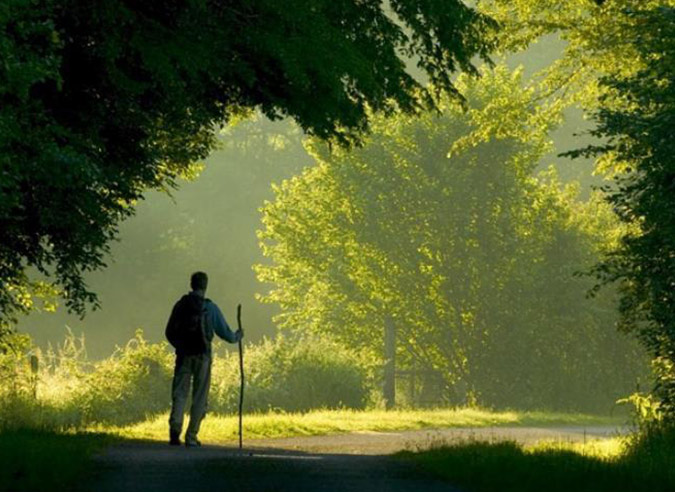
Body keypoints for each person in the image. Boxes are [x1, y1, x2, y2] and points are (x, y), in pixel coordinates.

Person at [165, 271, 242, 447]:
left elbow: (168, 332)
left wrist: (179, 346)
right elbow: (226, 334)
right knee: (199, 396)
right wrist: (238, 336)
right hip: (203, 356)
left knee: (180, 394)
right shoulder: (210, 308)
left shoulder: (180, 305)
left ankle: (174, 431)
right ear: (205, 285)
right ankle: (191, 437)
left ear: (191, 284)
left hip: (183, 356)